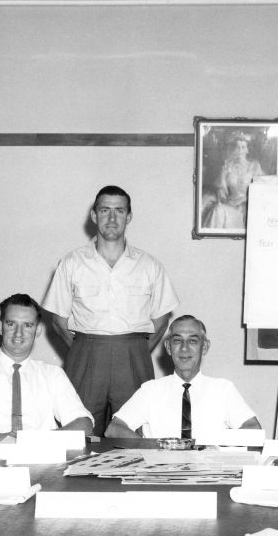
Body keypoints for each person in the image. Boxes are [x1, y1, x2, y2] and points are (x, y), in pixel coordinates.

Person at [43, 186, 179, 436]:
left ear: (129, 217)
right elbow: (58, 321)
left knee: (133, 431)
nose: (112, 218)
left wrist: (135, 351)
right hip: (86, 354)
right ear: (94, 215)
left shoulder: (149, 265)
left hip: (133, 355)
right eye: (105, 210)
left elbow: (161, 321)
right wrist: (86, 351)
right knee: (80, 431)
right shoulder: (72, 262)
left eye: (119, 211)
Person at [0, 294, 93, 448]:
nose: (18, 333)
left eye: (27, 325)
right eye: (11, 324)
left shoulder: (52, 375)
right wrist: (6, 441)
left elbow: (84, 424)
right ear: (0, 327)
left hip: (40, 461)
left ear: (38, 330)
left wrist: (33, 442)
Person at [105, 315, 261, 438]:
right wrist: (151, 450)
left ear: (204, 347)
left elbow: (253, 428)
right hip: (161, 471)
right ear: (168, 347)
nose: (184, 348)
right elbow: (114, 429)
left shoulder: (223, 389)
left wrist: (218, 445)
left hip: (207, 471)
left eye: (193, 341)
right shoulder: (151, 390)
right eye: (177, 340)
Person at [200, 131, 265, 230]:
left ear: (247, 150)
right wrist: (223, 174)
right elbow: (222, 191)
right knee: (217, 210)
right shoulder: (228, 166)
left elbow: (261, 191)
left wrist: (244, 201)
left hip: (248, 207)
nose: (240, 151)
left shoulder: (254, 166)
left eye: (243, 147)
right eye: (237, 148)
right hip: (231, 205)